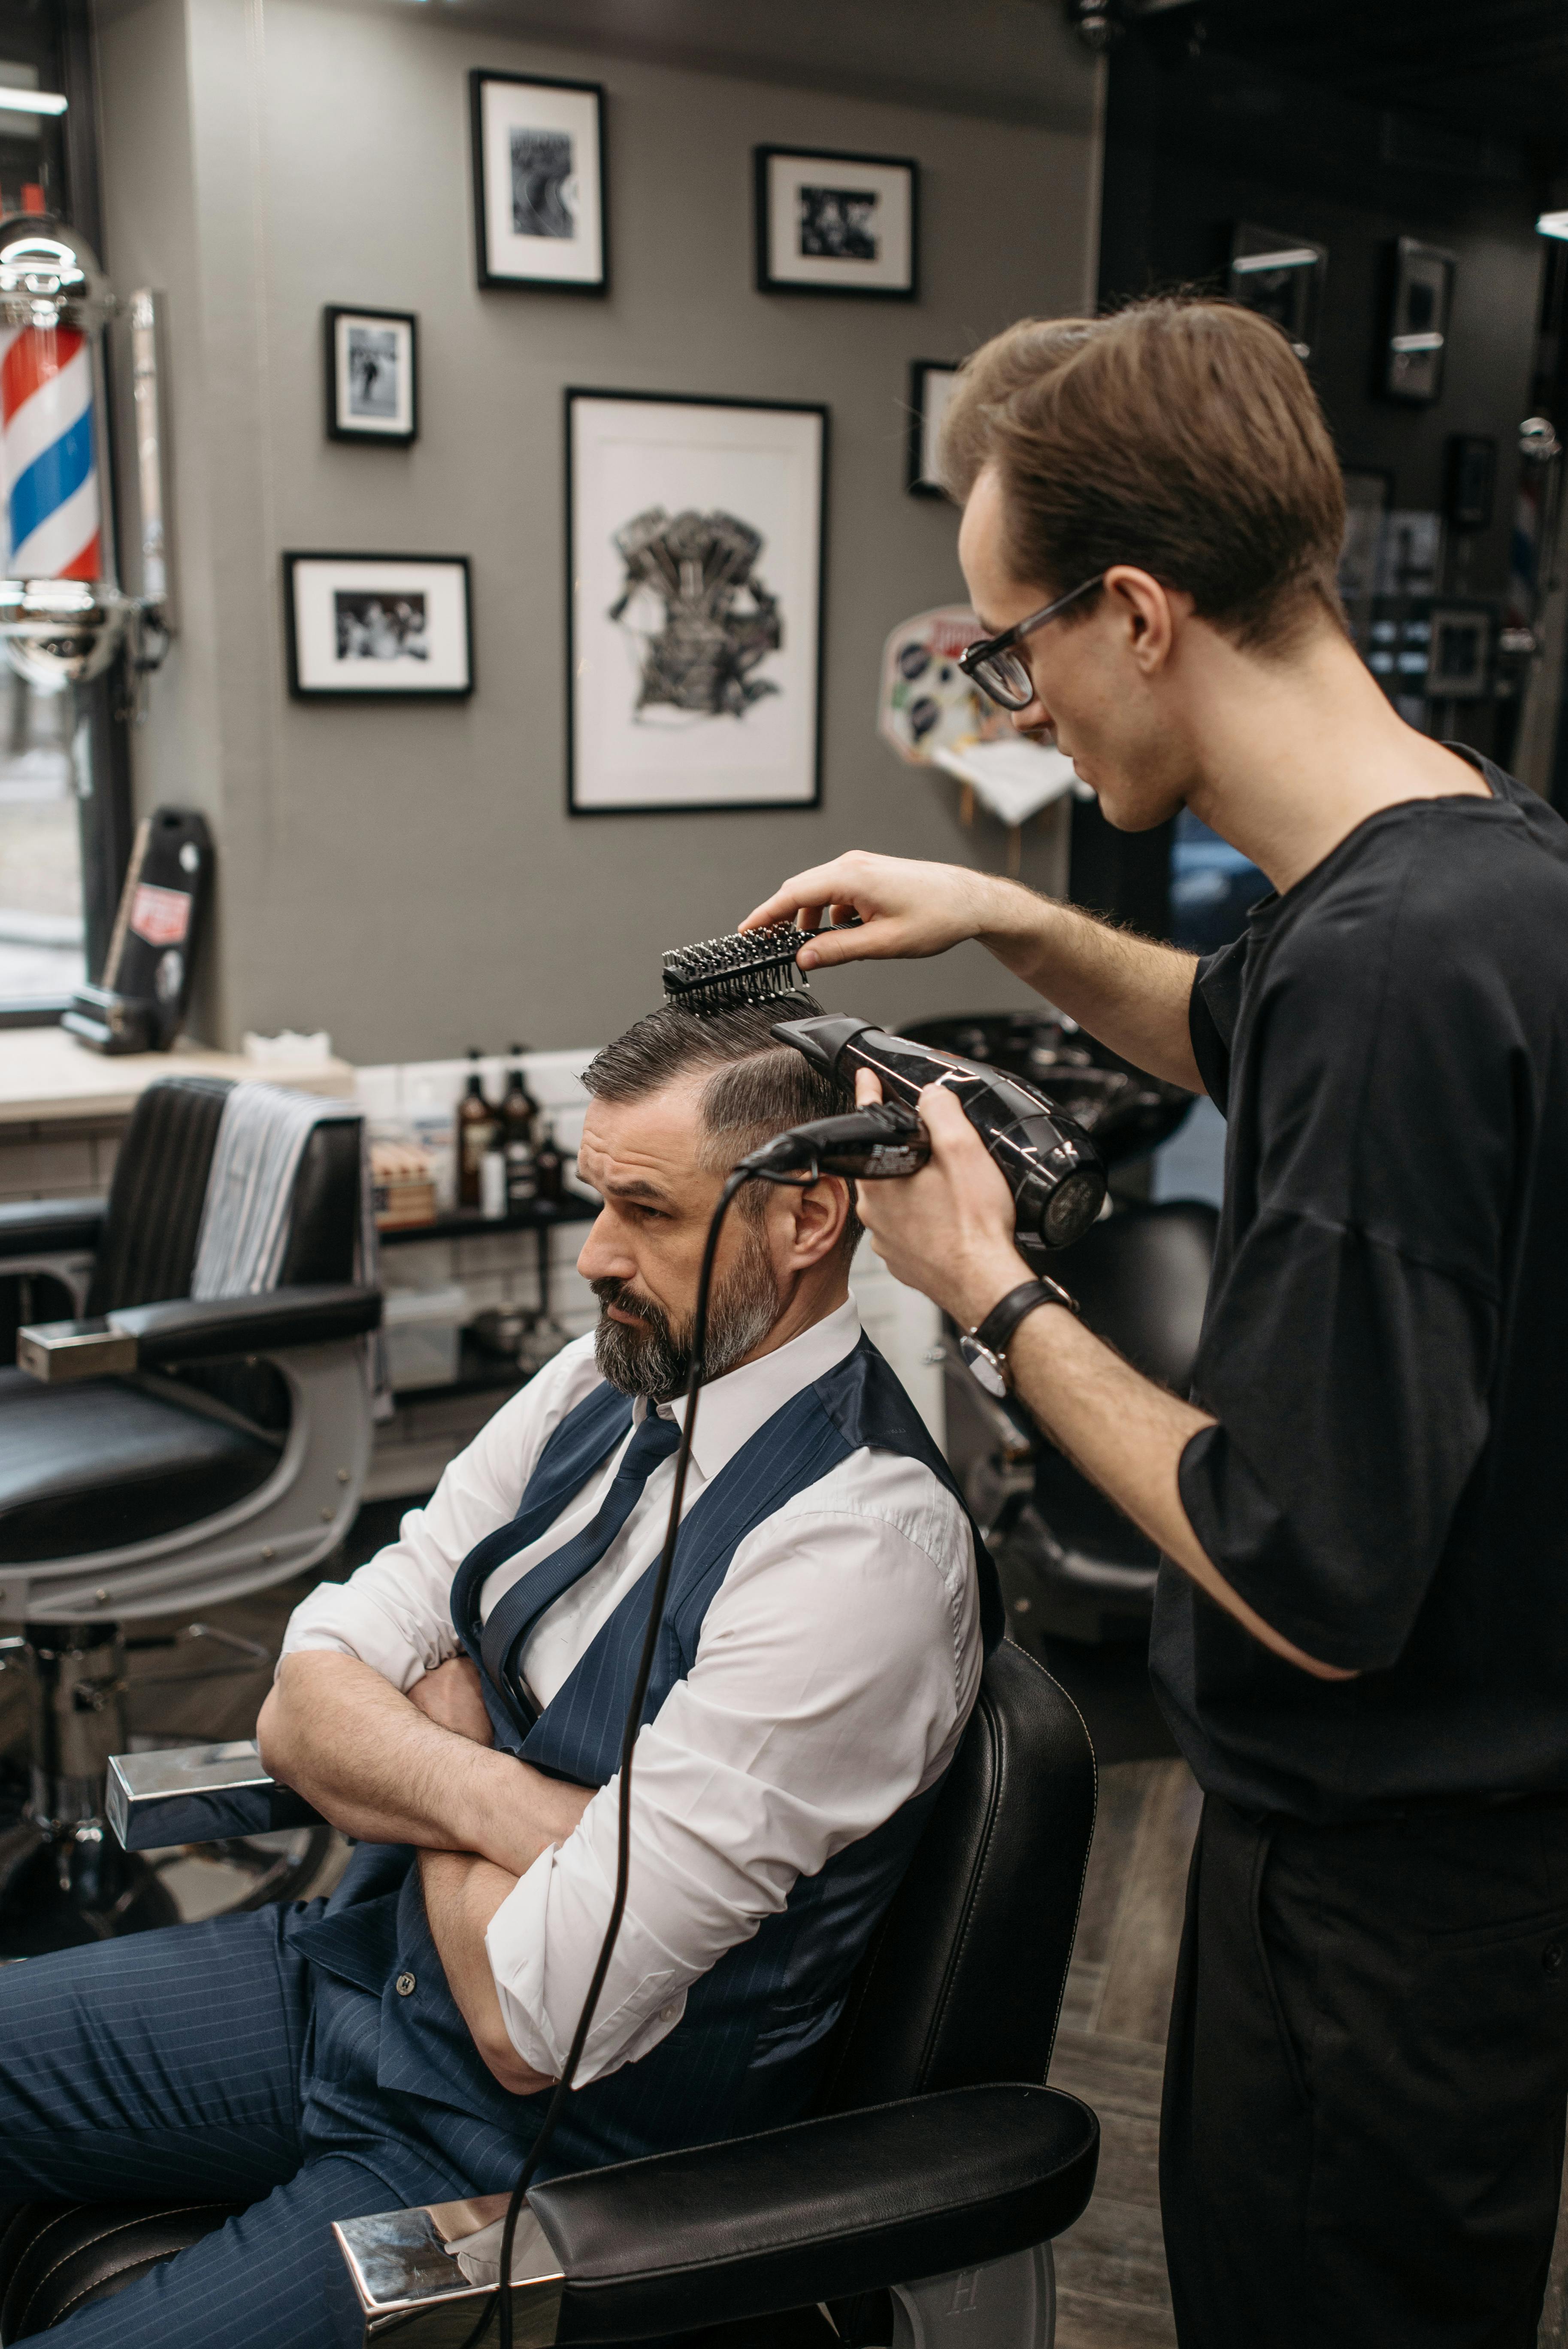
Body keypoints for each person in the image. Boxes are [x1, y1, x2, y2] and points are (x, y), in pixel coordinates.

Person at [744, 297, 1568, 2349]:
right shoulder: (1468, 870)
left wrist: (990, 1292)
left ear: (1133, 610)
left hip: (1375, 1913)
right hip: (1474, 1866)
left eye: (1009, 647)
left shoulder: (1384, 974)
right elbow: (1224, 1024)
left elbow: (1308, 1566)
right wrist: (1008, 921)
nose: (1011, 706)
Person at [0, 996, 993, 2349]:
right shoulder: (605, 1380)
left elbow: (535, 2017)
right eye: (598, 1200)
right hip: (340, 1982)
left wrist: (429, 1741)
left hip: (504, 2166)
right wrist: (518, 1805)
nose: (593, 1256)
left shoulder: (859, 1553)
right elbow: (306, 1696)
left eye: (643, 1209)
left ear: (805, 1220)